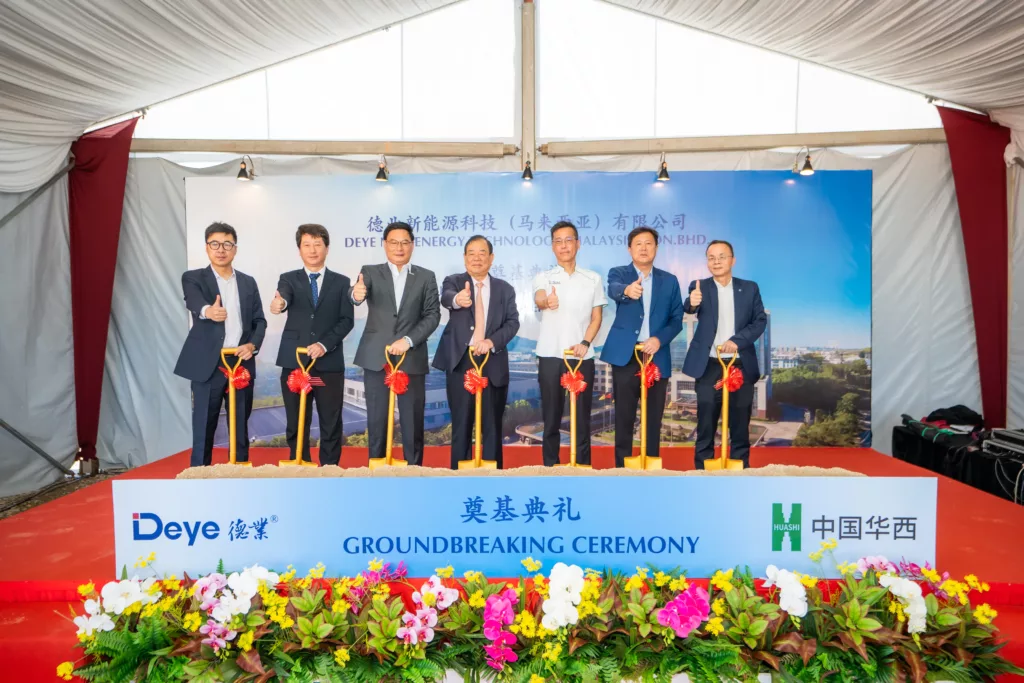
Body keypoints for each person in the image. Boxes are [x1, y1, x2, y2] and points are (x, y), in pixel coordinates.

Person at [174, 222, 266, 467]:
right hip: (209, 363)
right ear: (207, 248)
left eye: (227, 244)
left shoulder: (248, 282)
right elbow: (194, 301)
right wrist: (208, 311)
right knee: (204, 424)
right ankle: (199, 476)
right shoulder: (193, 278)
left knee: (239, 425)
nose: (221, 249)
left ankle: (239, 474)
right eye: (215, 244)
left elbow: (259, 320)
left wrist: (252, 345)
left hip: (240, 360)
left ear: (235, 249)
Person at [351, 221, 440, 466]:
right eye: (393, 242)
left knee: (412, 421)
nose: (399, 248)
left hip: (411, 356)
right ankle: (377, 472)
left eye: (404, 242)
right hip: (376, 357)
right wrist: (355, 295)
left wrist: (408, 340)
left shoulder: (426, 276)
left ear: (412, 245)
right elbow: (357, 292)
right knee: (377, 420)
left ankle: (414, 472)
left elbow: (433, 315)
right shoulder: (370, 272)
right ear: (384, 244)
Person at [269, 224, 354, 466]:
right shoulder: (288, 279)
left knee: (331, 421)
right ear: (299, 249)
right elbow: (283, 297)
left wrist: (324, 345)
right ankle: (299, 465)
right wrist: (280, 304)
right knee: (296, 420)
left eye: (318, 244)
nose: (313, 250)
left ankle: (329, 469)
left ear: (327, 248)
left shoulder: (341, 282)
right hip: (295, 361)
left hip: (328, 363)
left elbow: (346, 320)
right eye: (307, 245)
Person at [433, 236, 520, 469]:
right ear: (464, 258)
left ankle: (492, 477)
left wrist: (491, 341)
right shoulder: (454, 281)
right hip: (461, 362)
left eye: (482, 253)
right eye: (471, 253)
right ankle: (458, 476)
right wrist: (458, 299)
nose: (477, 258)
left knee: (492, 426)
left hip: (493, 362)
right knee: (461, 424)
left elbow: (513, 323)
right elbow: (446, 297)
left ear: (491, 258)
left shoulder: (505, 289)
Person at [600, 227, 684, 467]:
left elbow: (677, 319)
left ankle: (651, 467)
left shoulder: (669, 281)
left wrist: (659, 339)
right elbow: (614, 289)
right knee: (624, 416)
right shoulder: (619, 273)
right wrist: (627, 290)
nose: (644, 248)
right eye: (638, 243)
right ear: (630, 249)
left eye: (649, 243)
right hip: (626, 356)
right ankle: (622, 468)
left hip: (656, 354)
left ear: (656, 248)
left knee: (654, 418)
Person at [683, 239, 766, 469]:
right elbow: (690, 307)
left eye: (722, 256)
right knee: (706, 423)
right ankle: (703, 472)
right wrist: (692, 303)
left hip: (740, 364)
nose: (716, 261)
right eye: (711, 258)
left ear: (733, 260)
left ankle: (739, 472)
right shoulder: (700, 286)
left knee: (739, 425)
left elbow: (759, 321)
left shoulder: (749, 288)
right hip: (709, 365)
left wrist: (736, 342)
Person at [532, 220, 606, 466]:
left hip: (581, 355)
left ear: (578, 244)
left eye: (568, 240)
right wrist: (546, 302)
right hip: (550, 355)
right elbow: (539, 298)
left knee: (582, 417)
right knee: (551, 417)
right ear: (553, 246)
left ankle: (582, 466)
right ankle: (550, 467)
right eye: (558, 241)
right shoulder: (544, 277)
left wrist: (585, 342)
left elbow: (597, 317)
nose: (564, 246)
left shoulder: (593, 278)